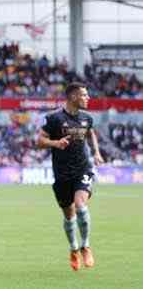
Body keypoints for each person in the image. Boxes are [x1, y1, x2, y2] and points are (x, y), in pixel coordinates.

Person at [37, 82, 104, 271]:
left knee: (81, 205)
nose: (88, 98)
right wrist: (56, 143)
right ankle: (74, 248)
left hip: (83, 169)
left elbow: (91, 134)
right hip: (62, 174)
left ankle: (86, 246)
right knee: (69, 215)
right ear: (73, 97)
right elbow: (39, 141)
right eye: (84, 95)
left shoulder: (87, 118)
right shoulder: (54, 118)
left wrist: (96, 152)